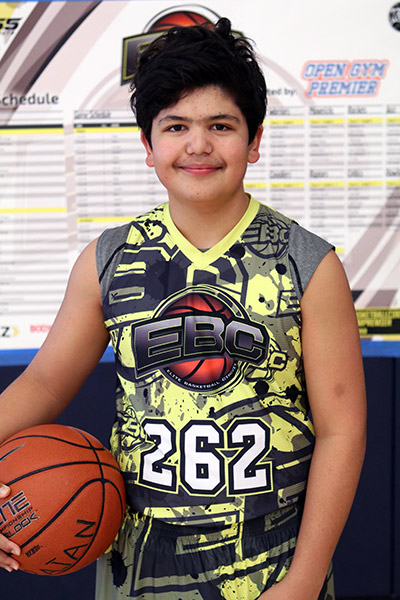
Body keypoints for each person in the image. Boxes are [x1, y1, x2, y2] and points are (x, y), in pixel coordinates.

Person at [0, 17, 366, 600]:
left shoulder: (309, 265)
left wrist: (303, 579)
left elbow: (341, 430)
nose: (198, 145)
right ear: (148, 147)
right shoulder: (109, 259)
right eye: (176, 126)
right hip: (138, 565)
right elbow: (43, 383)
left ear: (254, 140)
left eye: (221, 125)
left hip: (270, 567)